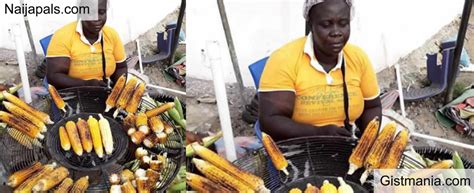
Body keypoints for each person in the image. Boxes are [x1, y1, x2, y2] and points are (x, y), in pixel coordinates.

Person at [259, 0, 381, 141]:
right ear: (311, 24)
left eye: (343, 23)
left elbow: (372, 106)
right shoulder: (284, 59)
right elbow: (270, 120)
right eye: (326, 25)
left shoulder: (357, 57)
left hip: (346, 143)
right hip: (299, 146)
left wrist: (369, 141)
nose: (336, 32)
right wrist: (318, 133)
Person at [46, 0, 127, 89]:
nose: (97, 18)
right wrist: (85, 84)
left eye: (102, 12)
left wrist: (119, 89)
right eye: (91, 13)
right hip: (73, 94)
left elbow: (121, 67)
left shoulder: (111, 34)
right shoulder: (62, 35)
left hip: (104, 92)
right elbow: (54, 76)